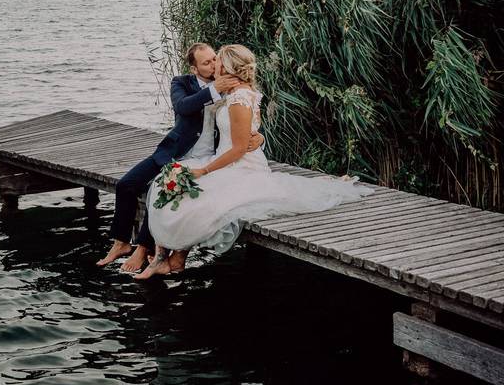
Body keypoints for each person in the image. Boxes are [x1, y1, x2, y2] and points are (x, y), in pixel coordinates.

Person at [135, 44, 375, 280]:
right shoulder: (234, 93)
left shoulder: (240, 97)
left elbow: (239, 148)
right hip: (226, 161)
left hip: (241, 166)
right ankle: (171, 260)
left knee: (199, 200)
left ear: (228, 66)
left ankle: (174, 260)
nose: (214, 64)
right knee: (169, 182)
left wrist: (205, 170)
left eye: (217, 60)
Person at [96, 43, 264, 272]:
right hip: (174, 151)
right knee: (126, 185)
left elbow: (246, 117)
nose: (214, 64)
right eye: (206, 63)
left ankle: (143, 249)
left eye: (215, 59)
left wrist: (260, 138)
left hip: (207, 157)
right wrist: (213, 89)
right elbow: (183, 107)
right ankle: (121, 242)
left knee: (160, 188)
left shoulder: (230, 85)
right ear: (194, 69)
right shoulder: (183, 83)